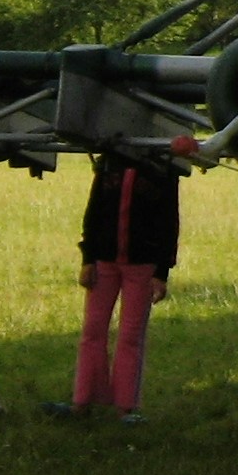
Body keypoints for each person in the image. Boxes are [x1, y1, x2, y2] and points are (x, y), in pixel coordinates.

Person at [53, 149, 180, 425]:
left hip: (142, 264)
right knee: (92, 330)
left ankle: (126, 407)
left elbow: (169, 221)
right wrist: (88, 259)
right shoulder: (109, 163)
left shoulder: (163, 169)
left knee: (131, 335)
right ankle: (83, 400)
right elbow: (94, 211)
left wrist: (161, 272)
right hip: (104, 260)